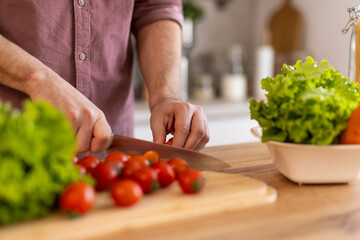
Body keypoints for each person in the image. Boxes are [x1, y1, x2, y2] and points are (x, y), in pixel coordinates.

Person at [0, 0, 209, 154]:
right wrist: (39, 82)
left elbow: (156, 7)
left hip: (111, 151)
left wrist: (166, 96)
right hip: (13, 144)